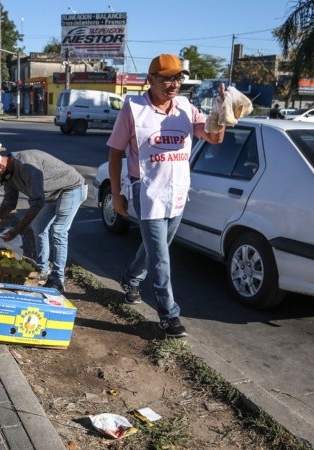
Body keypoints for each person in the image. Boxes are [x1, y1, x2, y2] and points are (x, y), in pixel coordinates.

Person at [107, 53, 225, 338]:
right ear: (151, 80)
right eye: (167, 78)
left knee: (152, 248)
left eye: (178, 78)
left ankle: (131, 278)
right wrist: (116, 194)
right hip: (147, 191)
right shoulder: (133, 109)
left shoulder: (186, 107)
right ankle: (169, 316)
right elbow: (115, 152)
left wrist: (222, 111)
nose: (174, 84)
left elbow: (214, 137)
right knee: (161, 257)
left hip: (178, 192)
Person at [0, 149, 88, 292]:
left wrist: (18, 230)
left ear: (0, 167)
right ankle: (42, 270)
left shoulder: (25, 164)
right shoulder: (8, 175)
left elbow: (37, 202)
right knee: (38, 227)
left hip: (71, 188)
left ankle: (57, 278)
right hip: (50, 194)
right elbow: (9, 203)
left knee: (58, 230)